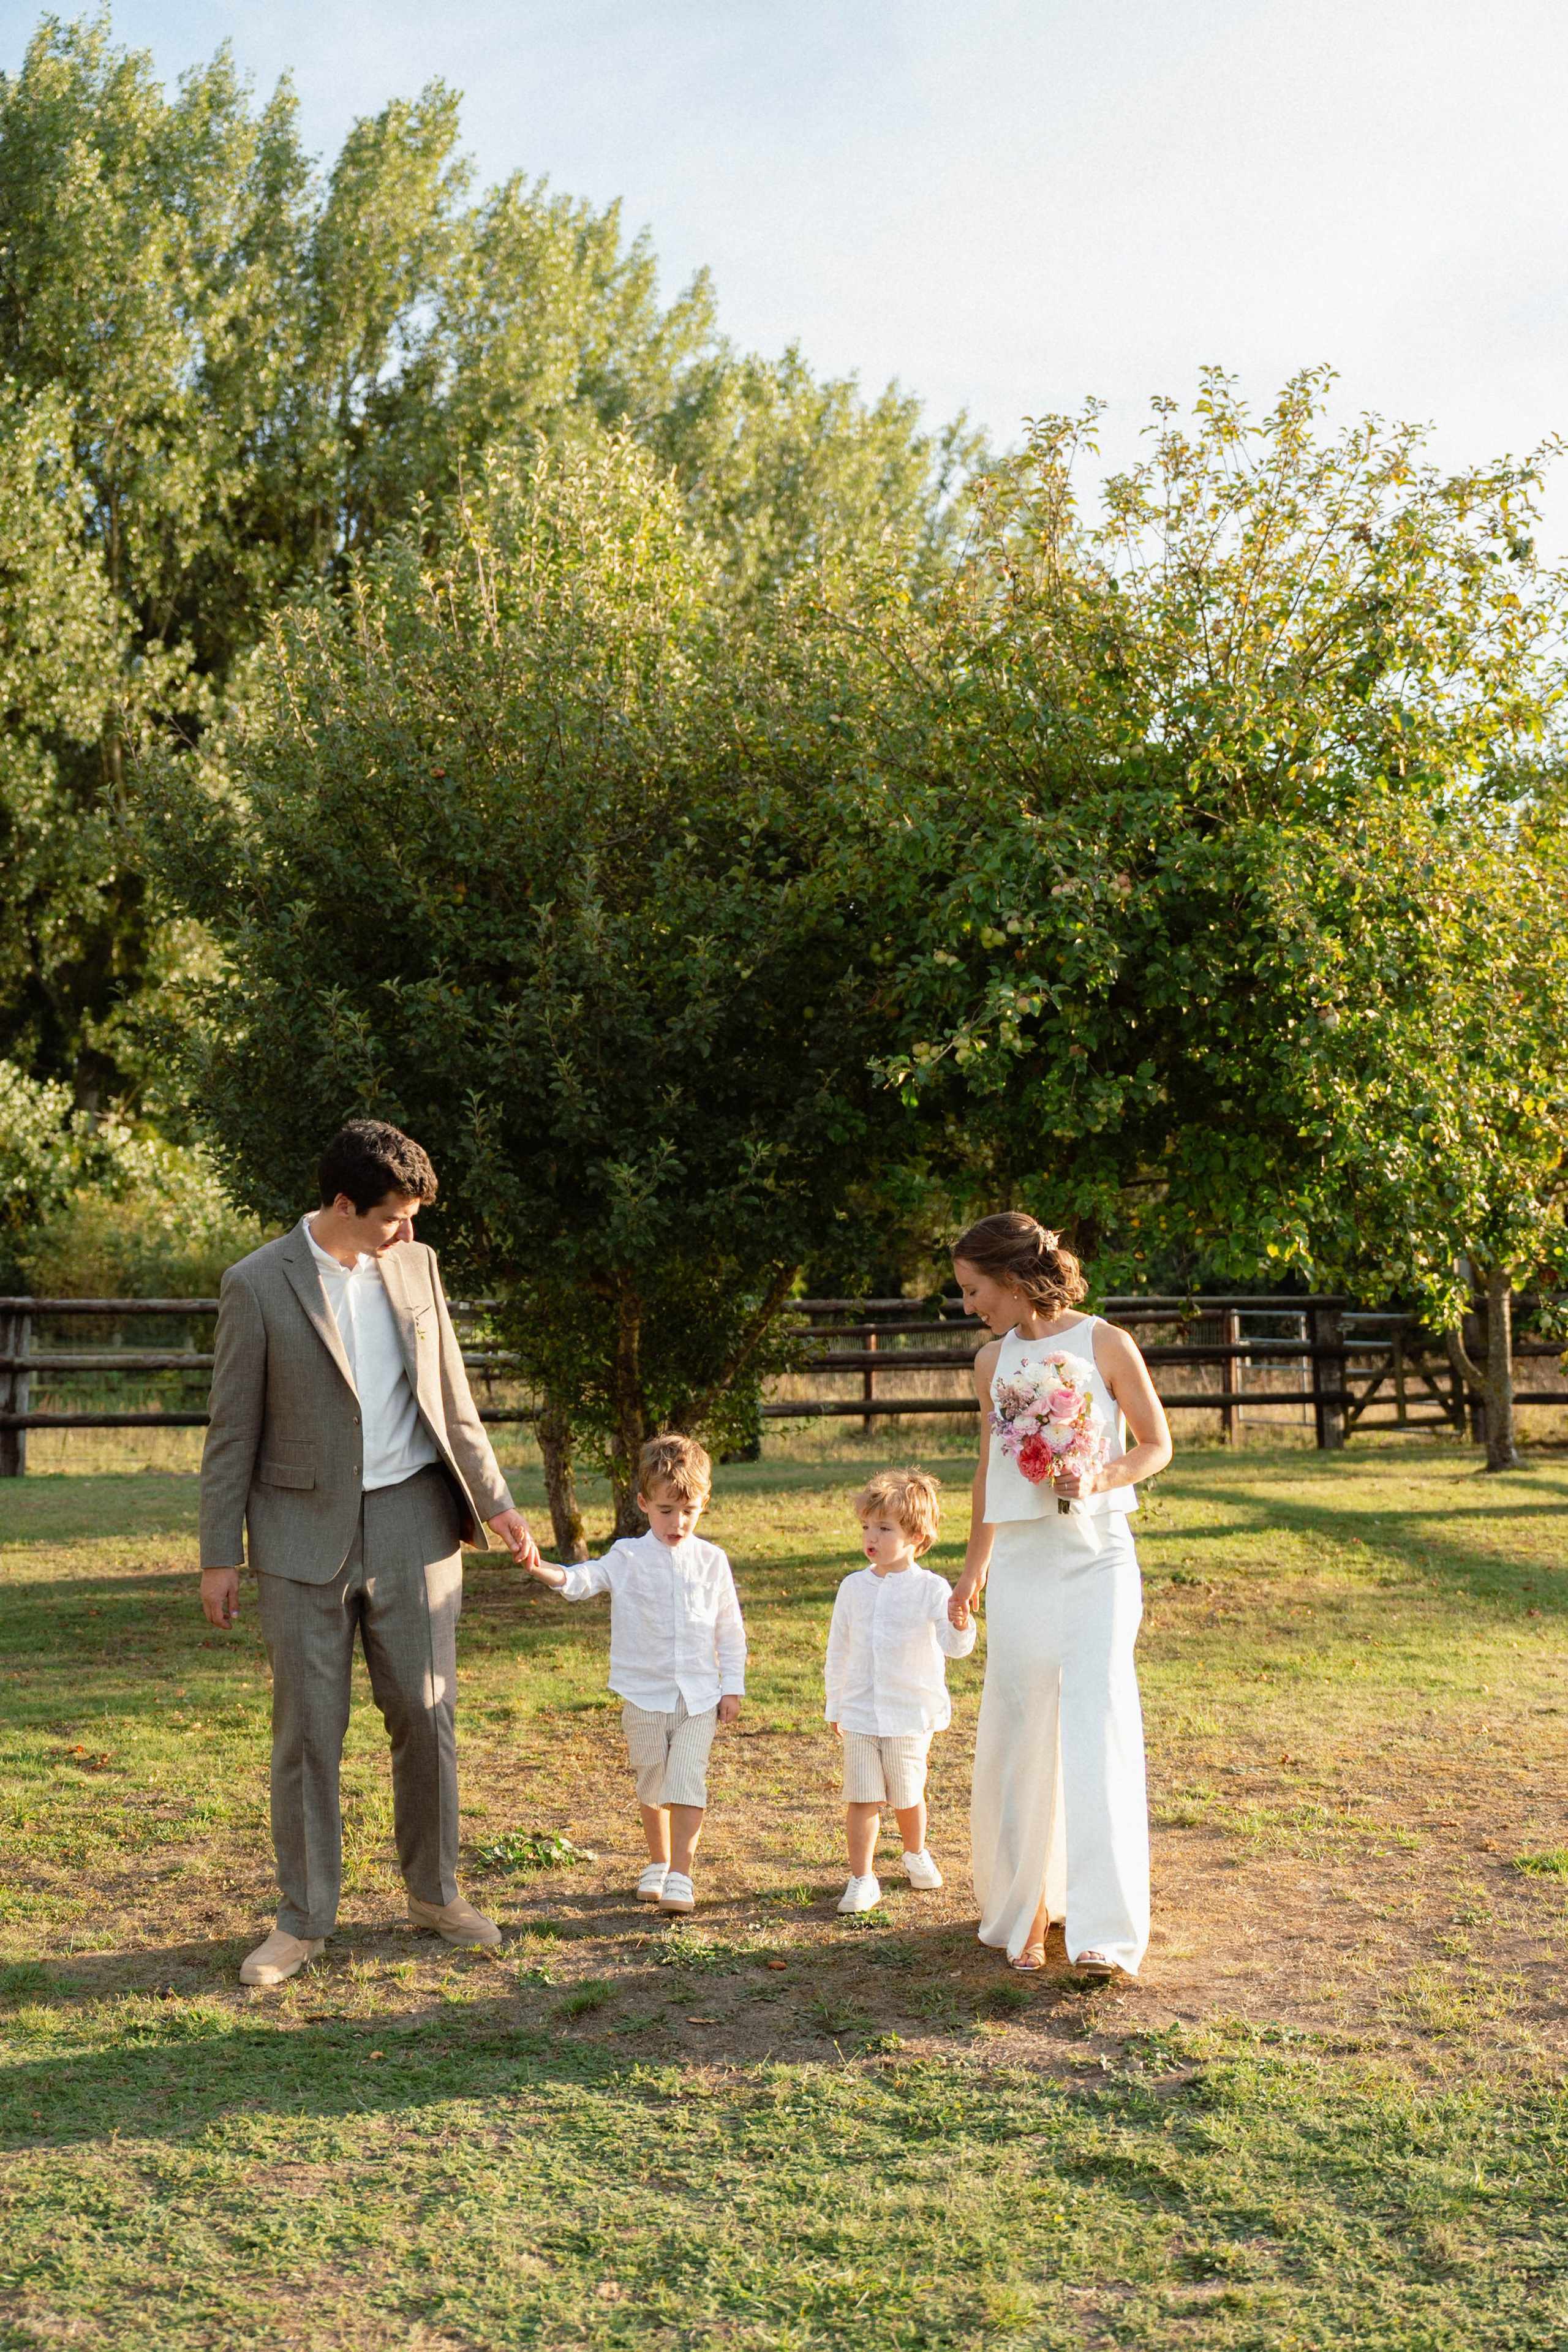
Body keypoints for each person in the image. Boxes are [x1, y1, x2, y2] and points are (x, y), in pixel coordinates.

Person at [199, 1119, 541, 1987]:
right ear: (344, 1204)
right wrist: (219, 1553)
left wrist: (496, 1503)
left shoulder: (417, 1266)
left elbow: (452, 1395)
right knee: (310, 1732)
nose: (407, 1233)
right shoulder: (256, 1283)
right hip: (295, 1535)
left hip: (416, 1523)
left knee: (427, 1718)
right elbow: (231, 1431)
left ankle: (436, 1894)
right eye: (392, 1217)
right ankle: (303, 1922)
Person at [948, 1212, 1172, 1978]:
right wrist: (973, 1569)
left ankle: (1105, 1930)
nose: (970, 1305)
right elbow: (988, 1473)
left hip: (1097, 1559)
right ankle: (1027, 1903)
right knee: (1020, 1725)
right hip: (1022, 1564)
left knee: (1096, 1722)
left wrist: (1099, 1476)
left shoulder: (1105, 1341)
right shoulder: (989, 1362)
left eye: (974, 1290)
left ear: (1012, 1278)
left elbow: (1156, 1444)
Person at [524, 1433, 744, 1915]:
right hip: (643, 1695)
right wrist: (548, 1571)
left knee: (687, 1779)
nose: (677, 1522)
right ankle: (659, 1862)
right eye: (666, 1510)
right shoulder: (626, 1557)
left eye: (688, 1510)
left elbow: (730, 1629)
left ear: (703, 1503)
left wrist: (732, 1687)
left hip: (699, 1698)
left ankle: (682, 1876)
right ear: (644, 1503)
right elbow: (585, 1580)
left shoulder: (712, 1562)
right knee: (653, 1780)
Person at [824, 1466, 975, 1915]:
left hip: (909, 1715)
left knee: (907, 1794)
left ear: (916, 1536)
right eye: (867, 1527)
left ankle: (914, 1852)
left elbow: (954, 1647)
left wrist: (962, 1622)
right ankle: (862, 1878)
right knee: (862, 1796)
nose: (872, 1537)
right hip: (860, 1714)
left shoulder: (931, 1589)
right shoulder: (853, 1587)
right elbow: (840, 1649)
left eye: (884, 1528)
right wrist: (837, 1704)